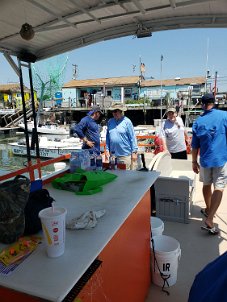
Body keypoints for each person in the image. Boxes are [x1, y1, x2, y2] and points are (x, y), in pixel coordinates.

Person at [191, 93, 227, 234]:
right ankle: (210, 217)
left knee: (206, 185)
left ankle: (208, 209)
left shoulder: (198, 122)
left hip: (205, 160)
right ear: (214, 101)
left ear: (202, 104)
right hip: (221, 159)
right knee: (219, 187)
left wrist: (194, 162)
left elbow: (195, 146)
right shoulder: (224, 116)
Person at [105, 102, 138, 170]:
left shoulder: (127, 122)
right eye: (113, 111)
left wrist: (134, 152)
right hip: (113, 156)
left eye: (116, 111)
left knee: (126, 177)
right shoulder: (110, 122)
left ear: (121, 111)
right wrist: (107, 150)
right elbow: (108, 137)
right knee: (114, 175)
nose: (114, 113)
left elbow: (132, 137)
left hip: (125, 155)